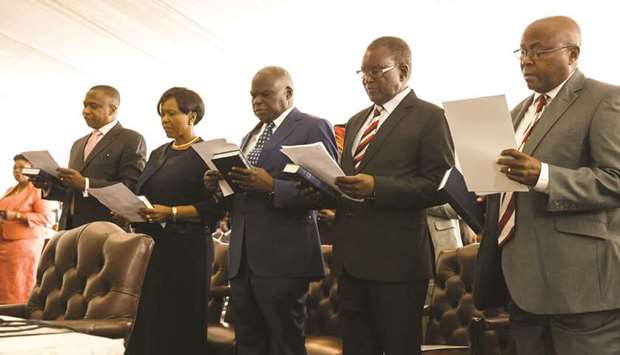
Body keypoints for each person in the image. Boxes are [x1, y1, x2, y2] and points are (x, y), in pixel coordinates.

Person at [477, 16, 620, 354]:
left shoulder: (605, 100)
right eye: (523, 51)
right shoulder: (517, 113)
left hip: (582, 288)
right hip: (521, 284)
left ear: (572, 54)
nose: (526, 60)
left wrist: (544, 176)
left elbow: (615, 179)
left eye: (539, 51)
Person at [331, 36, 454, 355]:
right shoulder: (358, 120)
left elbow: (439, 186)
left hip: (396, 262)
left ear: (404, 70)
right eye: (363, 73)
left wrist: (377, 187)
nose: (368, 80)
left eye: (376, 71)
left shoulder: (430, 116)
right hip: (350, 260)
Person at [204, 66, 338, 355]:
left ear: (288, 93)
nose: (257, 101)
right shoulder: (250, 135)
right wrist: (220, 185)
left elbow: (330, 190)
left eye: (265, 94)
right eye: (253, 95)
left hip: (283, 257)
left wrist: (274, 187)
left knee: (284, 342)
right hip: (243, 257)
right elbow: (245, 193)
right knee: (248, 342)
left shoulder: (312, 126)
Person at [125, 87, 221, 355]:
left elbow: (216, 207)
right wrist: (129, 207)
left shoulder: (208, 152)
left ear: (192, 115)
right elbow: (146, 192)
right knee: (149, 319)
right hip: (154, 246)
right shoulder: (159, 153)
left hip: (187, 247)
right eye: (161, 115)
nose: (164, 120)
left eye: (171, 114)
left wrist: (172, 212)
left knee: (180, 322)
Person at [35, 85, 146, 230]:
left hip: (105, 227)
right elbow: (71, 193)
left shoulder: (131, 139)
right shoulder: (78, 144)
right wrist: (48, 185)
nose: (85, 111)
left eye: (93, 106)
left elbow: (130, 186)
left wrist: (86, 183)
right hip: (70, 226)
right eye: (85, 105)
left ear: (112, 109)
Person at [0, 155, 52, 304]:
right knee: (4, 285)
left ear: (32, 169)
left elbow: (46, 218)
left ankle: (18, 314)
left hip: (24, 246)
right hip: (4, 243)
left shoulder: (37, 190)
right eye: (14, 168)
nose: (17, 171)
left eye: (22, 167)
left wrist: (16, 215)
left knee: (20, 283)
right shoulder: (11, 189)